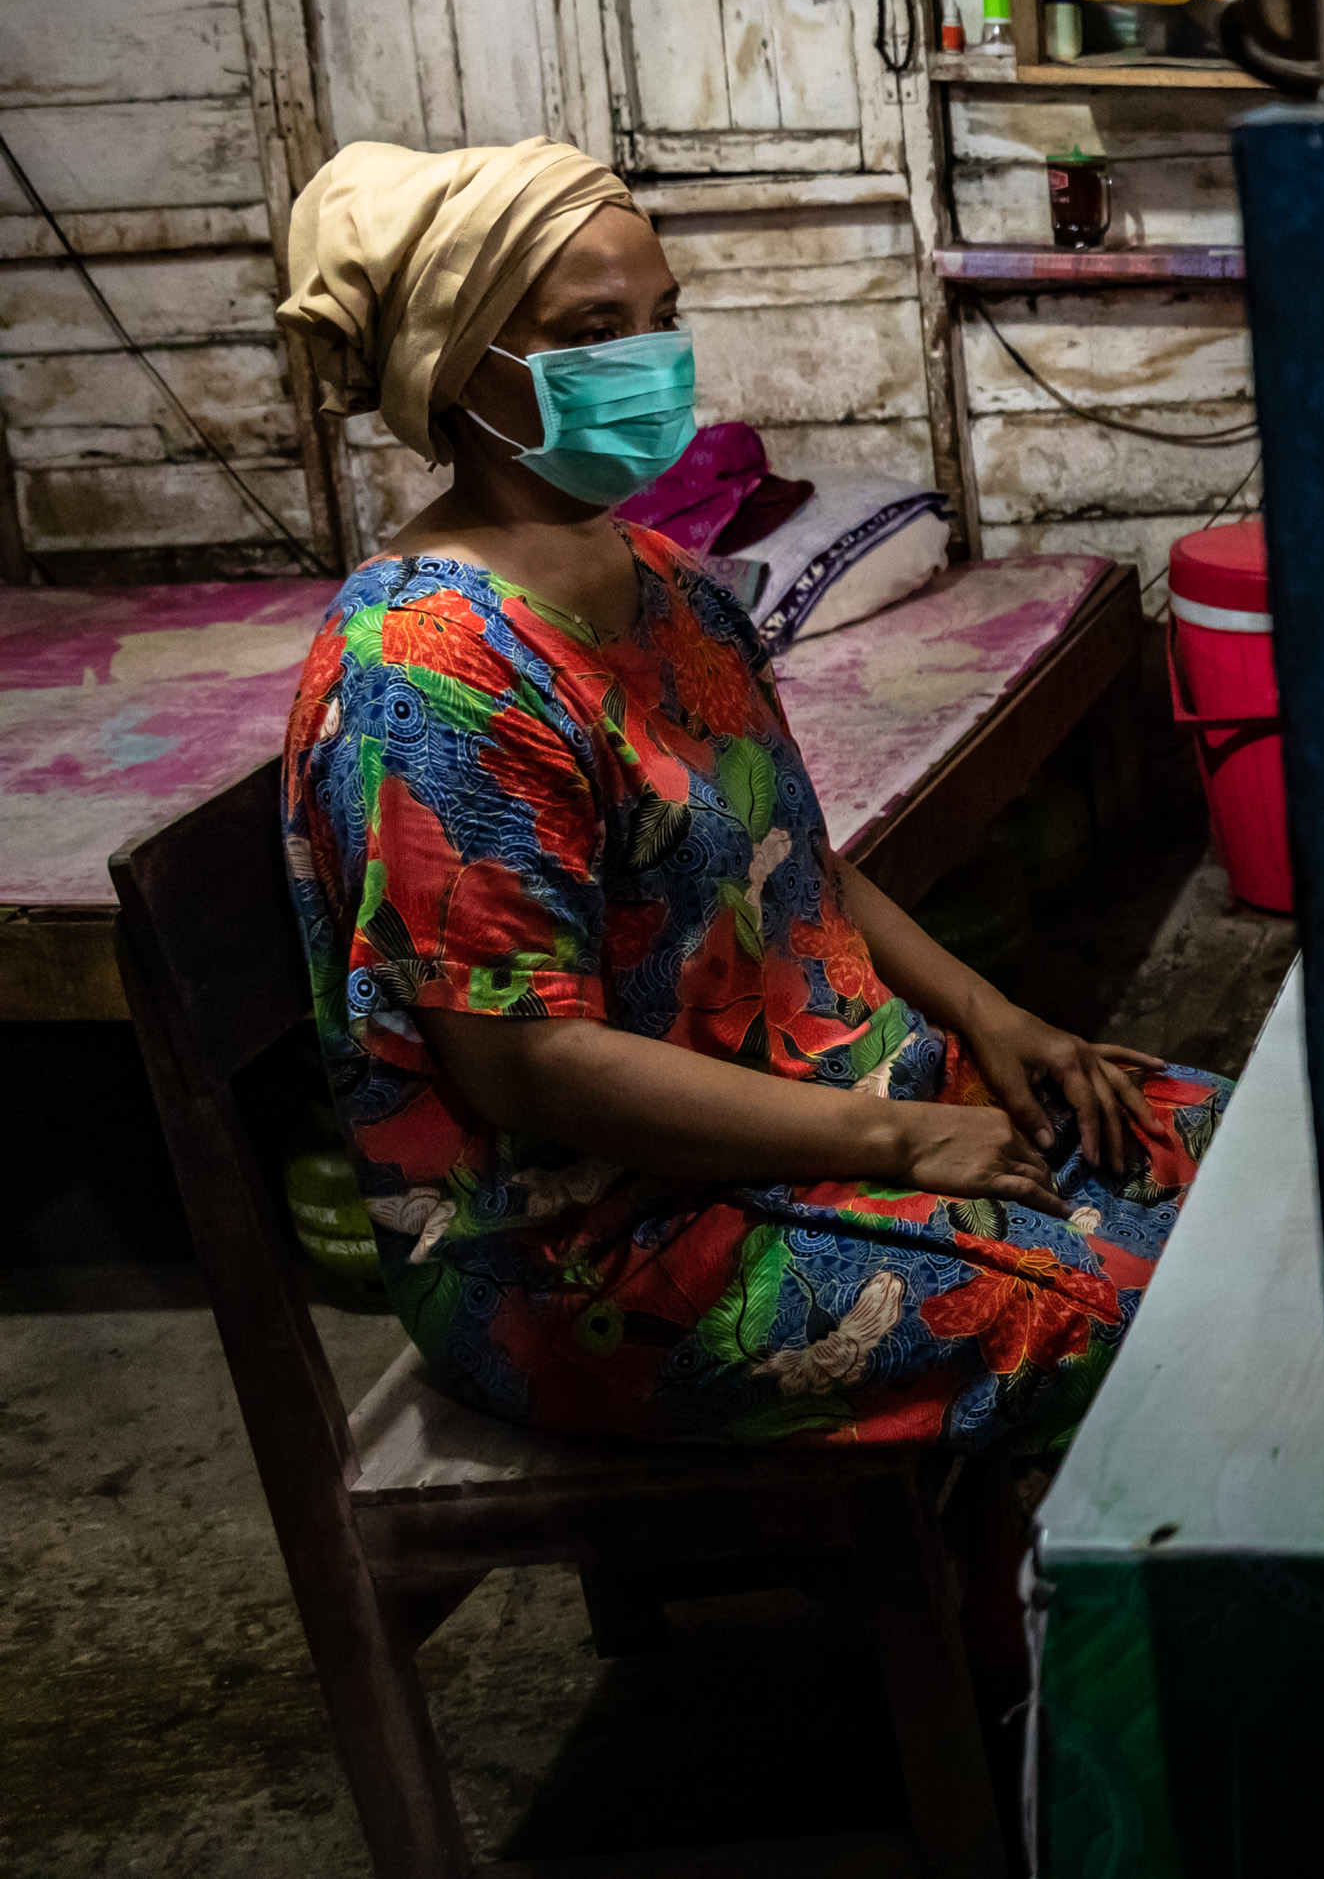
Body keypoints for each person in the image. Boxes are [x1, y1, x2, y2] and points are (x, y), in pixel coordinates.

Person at [275, 137, 1225, 1451]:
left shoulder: (671, 588)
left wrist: (991, 1016)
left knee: (1258, 1163)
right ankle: (1081, 1619)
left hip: (827, 1100)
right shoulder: (433, 681)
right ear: (457, 362)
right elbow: (524, 1065)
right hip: (601, 1247)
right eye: (592, 329)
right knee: (1181, 1309)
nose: (651, 362)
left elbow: (794, 859)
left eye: (662, 320)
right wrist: (902, 1146)